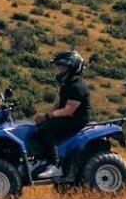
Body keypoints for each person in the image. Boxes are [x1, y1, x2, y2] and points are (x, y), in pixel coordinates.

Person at [30, 49, 90, 177]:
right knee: (35, 128)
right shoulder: (65, 85)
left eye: (62, 67)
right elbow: (57, 105)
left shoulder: (77, 86)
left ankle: (55, 165)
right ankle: (39, 160)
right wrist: (43, 116)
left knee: (45, 130)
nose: (59, 70)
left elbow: (68, 110)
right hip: (65, 117)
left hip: (76, 119)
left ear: (71, 68)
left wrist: (47, 117)